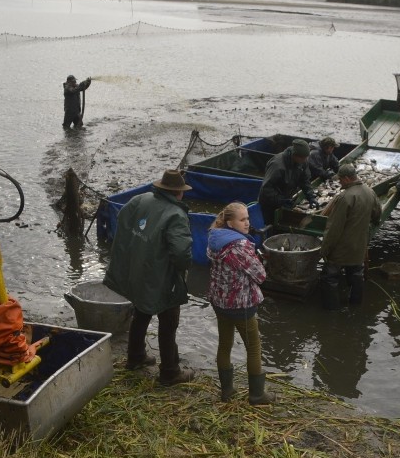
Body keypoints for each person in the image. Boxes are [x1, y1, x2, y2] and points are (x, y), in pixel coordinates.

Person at [103, 169, 195, 386]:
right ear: (179, 193)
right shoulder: (176, 215)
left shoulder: (139, 199)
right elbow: (182, 254)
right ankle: (170, 372)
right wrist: (182, 270)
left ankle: (135, 357)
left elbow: (122, 219)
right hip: (162, 277)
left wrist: (137, 248)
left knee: (142, 312)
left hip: (138, 270)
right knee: (168, 322)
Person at [207, 202, 275, 405]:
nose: (247, 223)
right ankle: (257, 395)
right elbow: (260, 276)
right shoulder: (240, 246)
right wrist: (261, 261)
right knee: (254, 347)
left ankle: (227, 392)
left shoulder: (214, 238)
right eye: (242, 220)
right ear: (230, 222)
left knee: (224, 344)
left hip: (219, 301)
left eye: (248, 218)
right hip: (240, 305)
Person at [319, 163, 382, 309]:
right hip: (359, 246)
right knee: (356, 274)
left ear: (347, 179)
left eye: (340, 179)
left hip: (342, 249)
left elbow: (334, 228)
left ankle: (331, 312)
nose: (339, 182)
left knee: (330, 277)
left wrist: (324, 250)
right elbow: (377, 214)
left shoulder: (345, 197)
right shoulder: (370, 192)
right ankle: (355, 307)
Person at [258, 138, 320, 226]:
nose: (305, 160)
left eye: (306, 157)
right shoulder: (277, 165)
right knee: (271, 224)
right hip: (269, 203)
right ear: (295, 155)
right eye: (303, 158)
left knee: (284, 222)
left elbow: (304, 180)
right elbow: (266, 189)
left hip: (285, 197)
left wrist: (310, 196)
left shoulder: (302, 161)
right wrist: (281, 200)